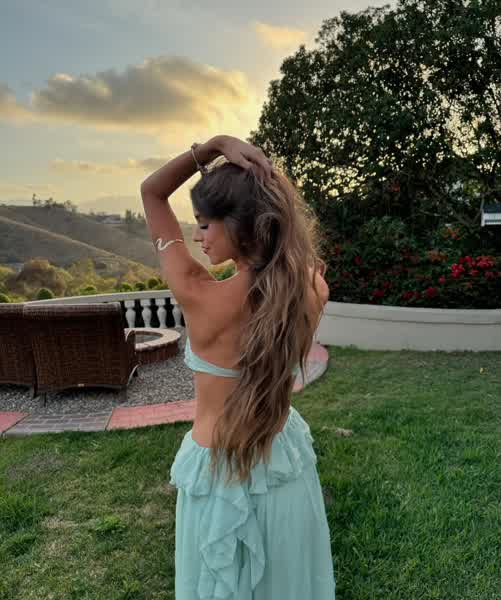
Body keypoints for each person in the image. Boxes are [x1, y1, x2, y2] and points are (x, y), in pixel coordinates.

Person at [140, 134, 335, 599]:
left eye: (205, 224)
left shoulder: (198, 296)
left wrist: (211, 147)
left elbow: (152, 192)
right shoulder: (311, 289)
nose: (197, 236)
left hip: (215, 476)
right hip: (282, 466)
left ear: (240, 226)